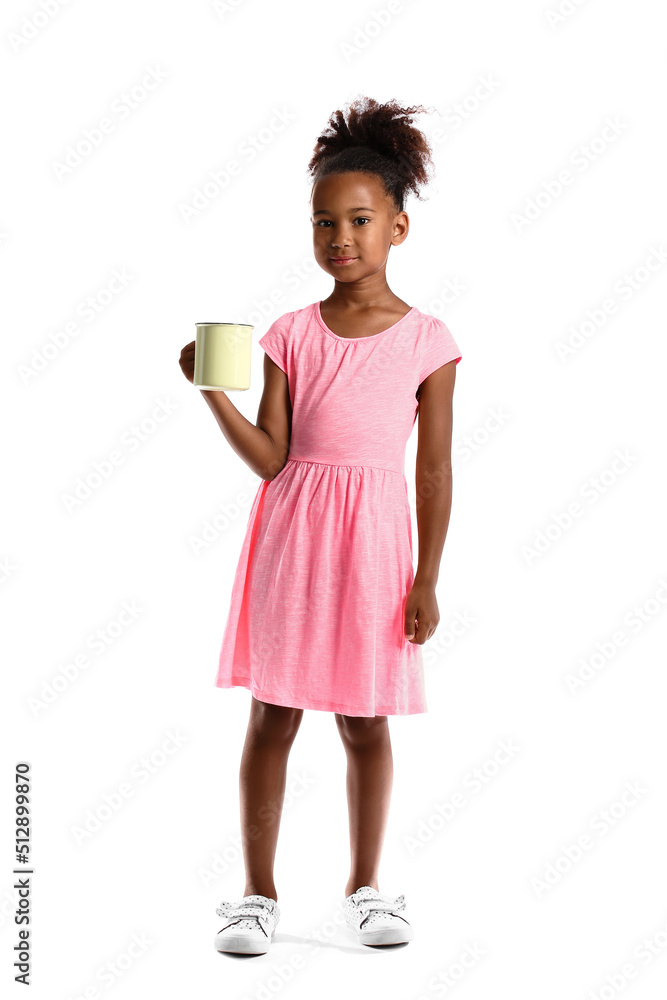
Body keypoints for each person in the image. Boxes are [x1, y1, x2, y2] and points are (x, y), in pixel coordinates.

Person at [179, 95, 463, 956]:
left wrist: (426, 578)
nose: (339, 237)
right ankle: (256, 894)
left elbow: (434, 469)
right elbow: (272, 457)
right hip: (292, 537)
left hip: (377, 547)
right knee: (272, 714)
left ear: (397, 228)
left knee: (364, 720)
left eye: (359, 220)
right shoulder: (289, 333)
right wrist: (213, 394)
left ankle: (367, 888)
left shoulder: (430, 341)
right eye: (323, 223)